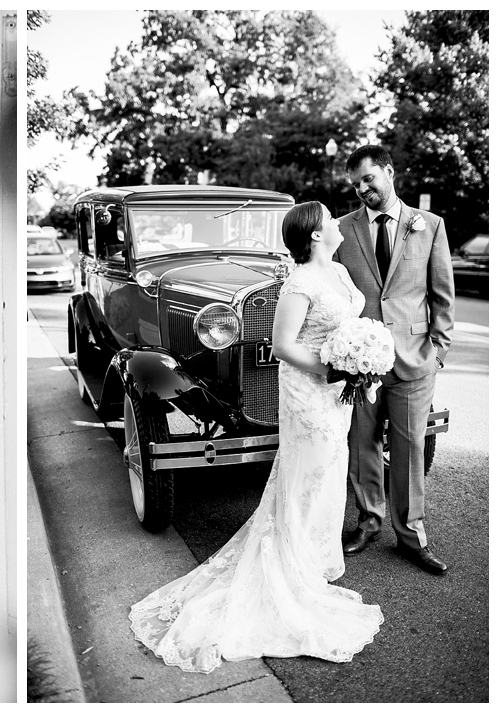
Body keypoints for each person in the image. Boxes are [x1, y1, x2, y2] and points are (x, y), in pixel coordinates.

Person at [129, 202, 382, 673]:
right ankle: (292, 573)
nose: (336, 223)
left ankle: (316, 563)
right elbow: (285, 346)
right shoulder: (299, 283)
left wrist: (364, 357)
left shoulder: (342, 274)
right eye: (328, 219)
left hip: (336, 396)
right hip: (311, 391)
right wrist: (337, 366)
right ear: (313, 235)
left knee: (328, 475)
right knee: (307, 473)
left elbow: (349, 323)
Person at [333, 144, 454, 576]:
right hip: (359, 363)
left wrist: (437, 351)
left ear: (388, 172)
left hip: (414, 361)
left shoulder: (431, 226)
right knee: (362, 445)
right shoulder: (342, 230)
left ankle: (411, 535)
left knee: (409, 449)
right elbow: (333, 294)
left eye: (368, 179)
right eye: (355, 185)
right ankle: (368, 520)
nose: (363, 189)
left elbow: (442, 295)